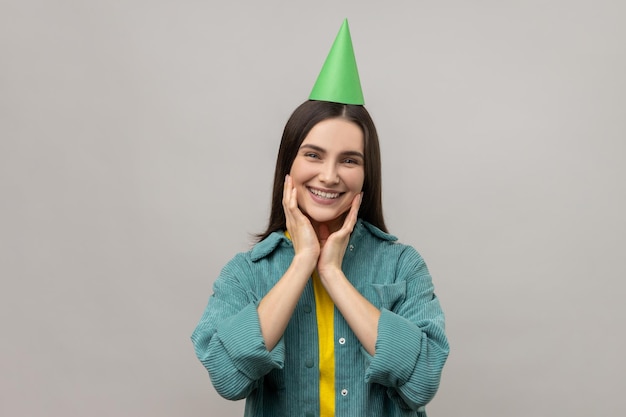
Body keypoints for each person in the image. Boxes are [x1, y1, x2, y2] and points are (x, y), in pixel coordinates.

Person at [191, 19, 449, 417]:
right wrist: (301, 265)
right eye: (313, 155)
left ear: (366, 175)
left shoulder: (403, 266)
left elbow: (423, 379)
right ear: (288, 166)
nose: (330, 176)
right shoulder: (246, 274)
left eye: (349, 160)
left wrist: (332, 274)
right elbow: (227, 376)